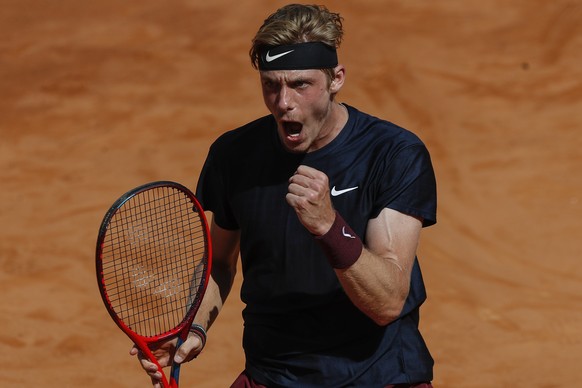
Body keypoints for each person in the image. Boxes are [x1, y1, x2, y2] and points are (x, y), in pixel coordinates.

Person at [131, 4, 437, 387]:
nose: (284, 102)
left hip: (378, 374)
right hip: (274, 374)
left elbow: (388, 301)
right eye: (271, 85)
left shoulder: (391, 153)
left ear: (336, 79)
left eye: (300, 84)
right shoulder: (234, 155)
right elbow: (220, 264)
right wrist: (192, 331)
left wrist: (328, 226)